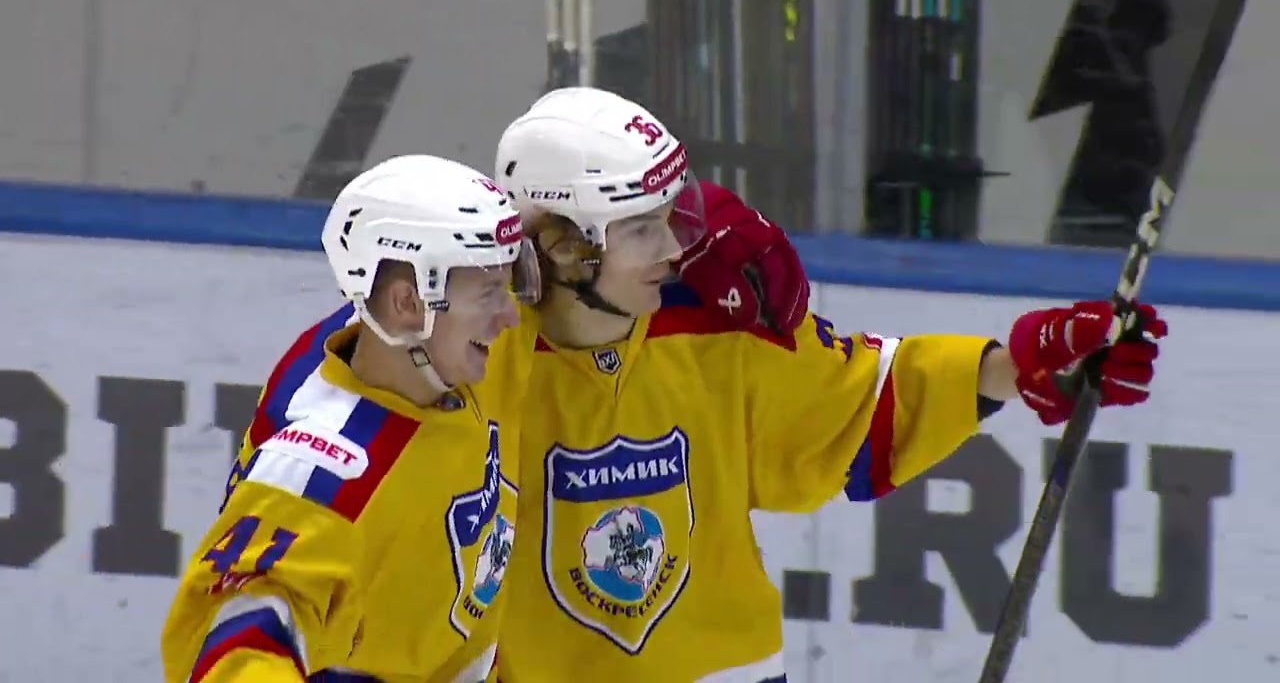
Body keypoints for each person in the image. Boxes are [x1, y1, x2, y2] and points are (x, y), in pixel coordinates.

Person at [485, 87, 1168, 682]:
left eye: (672, 215)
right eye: (641, 228)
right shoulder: (477, 361)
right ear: (563, 245)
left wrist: (1023, 365)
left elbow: (858, 412)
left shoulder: (714, 324)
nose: (672, 247)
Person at [160, 154, 543, 682]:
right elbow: (233, 644)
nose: (509, 316)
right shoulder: (324, 475)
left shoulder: (440, 360)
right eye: (488, 294)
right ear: (408, 303)